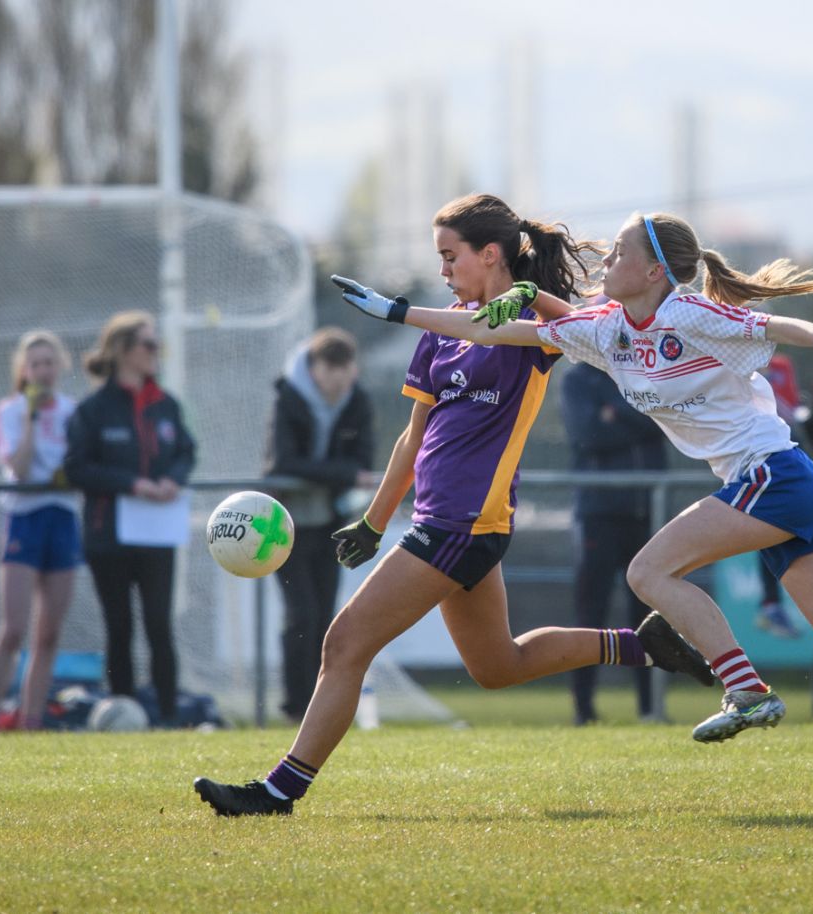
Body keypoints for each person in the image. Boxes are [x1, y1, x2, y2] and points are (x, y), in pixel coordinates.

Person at [339, 208, 813, 812]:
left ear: (653, 274)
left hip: (775, 475)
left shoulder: (686, 311)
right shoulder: (609, 330)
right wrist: (401, 312)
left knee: (649, 571)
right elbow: (501, 333)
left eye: (619, 254)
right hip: (779, 486)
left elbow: (771, 322)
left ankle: (744, 689)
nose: (605, 262)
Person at [193, 193, 712, 817]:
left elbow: (583, 319)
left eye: (450, 256)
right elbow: (414, 437)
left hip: (463, 526)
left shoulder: (529, 327)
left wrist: (523, 293)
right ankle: (642, 645)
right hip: (447, 523)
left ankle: (279, 791)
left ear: (489, 254)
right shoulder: (443, 332)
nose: (442, 270)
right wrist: (374, 521)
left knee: (344, 643)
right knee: (498, 665)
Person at [64, 312, 195, 726]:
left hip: (158, 533)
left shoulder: (166, 404)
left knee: (160, 624)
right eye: (148, 345)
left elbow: (186, 453)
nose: (155, 353)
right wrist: (133, 484)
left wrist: (172, 481)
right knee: (119, 627)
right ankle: (122, 713)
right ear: (122, 350)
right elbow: (77, 468)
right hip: (108, 537)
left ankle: (169, 717)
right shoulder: (94, 409)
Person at [263, 327, 374, 722]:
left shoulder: (357, 400)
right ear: (314, 368)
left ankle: (318, 707)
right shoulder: (288, 397)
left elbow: (364, 461)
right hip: (283, 525)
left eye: (347, 368)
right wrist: (341, 474)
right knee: (301, 615)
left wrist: (336, 475)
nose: (340, 377)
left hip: (331, 523)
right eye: (332, 367)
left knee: (326, 617)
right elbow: (283, 464)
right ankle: (294, 707)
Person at [0, 331, 81, 731]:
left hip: (62, 517)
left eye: (49, 362)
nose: (43, 370)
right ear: (24, 369)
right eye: (35, 363)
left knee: (49, 632)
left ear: (61, 366)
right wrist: (31, 418)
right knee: (14, 628)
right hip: (24, 517)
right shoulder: (10, 409)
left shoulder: (73, 411)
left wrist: (68, 474)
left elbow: (79, 466)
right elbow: (18, 468)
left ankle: (31, 718)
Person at [561, 358, 669, 725]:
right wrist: (637, 414)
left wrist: (616, 413)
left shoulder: (643, 372)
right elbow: (585, 434)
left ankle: (649, 709)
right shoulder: (577, 378)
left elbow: (666, 423)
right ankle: (583, 710)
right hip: (598, 513)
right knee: (590, 613)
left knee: (648, 616)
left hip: (647, 514)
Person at [753, 352, 804, 639]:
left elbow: (790, 409)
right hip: (749, 461)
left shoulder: (783, 364)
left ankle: (773, 603)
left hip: (781, 457)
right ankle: (771, 603)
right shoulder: (732, 357)